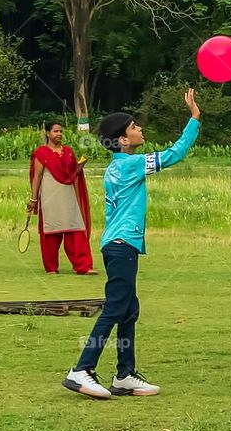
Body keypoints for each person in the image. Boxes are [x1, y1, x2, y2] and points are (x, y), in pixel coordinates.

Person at [61, 89, 201, 399]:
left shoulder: (116, 167)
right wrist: (194, 119)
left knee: (128, 310)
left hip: (117, 245)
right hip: (122, 245)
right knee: (115, 308)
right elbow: (174, 154)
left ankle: (124, 375)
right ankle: (82, 369)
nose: (139, 129)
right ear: (123, 140)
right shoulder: (129, 165)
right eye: (134, 126)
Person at [28, 121, 96, 275]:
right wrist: (34, 199)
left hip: (68, 195)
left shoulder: (68, 151)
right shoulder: (41, 153)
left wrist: (80, 166)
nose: (59, 134)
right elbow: (37, 177)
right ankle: (51, 267)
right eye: (55, 131)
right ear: (47, 133)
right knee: (51, 228)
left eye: (60, 131)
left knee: (75, 227)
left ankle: (83, 266)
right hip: (50, 195)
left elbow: (72, 174)